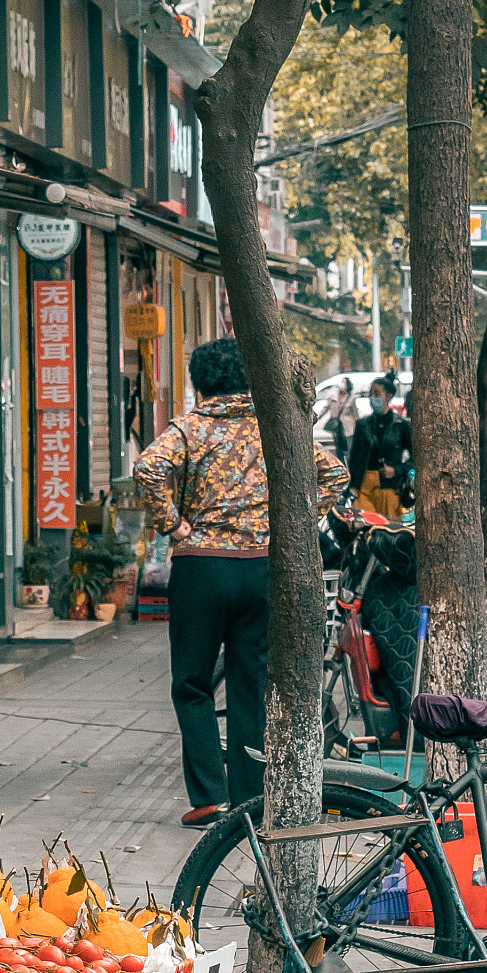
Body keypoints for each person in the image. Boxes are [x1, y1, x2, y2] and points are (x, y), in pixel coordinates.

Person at [133, 338, 348, 826]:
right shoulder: (274, 428)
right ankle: (251, 798)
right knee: (252, 681)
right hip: (260, 569)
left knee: (192, 682)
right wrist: (291, 523)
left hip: (201, 568)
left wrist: (174, 524)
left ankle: (210, 797)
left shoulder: (189, 428)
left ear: (199, 382)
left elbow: (147, 468)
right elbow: (334, 475)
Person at [346, 372, 414, 520]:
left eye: (377, 393)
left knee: (387, 532)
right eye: (371, 394)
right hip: (364, 486)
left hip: (390, 488)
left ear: (388, 396)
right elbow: (354, 458)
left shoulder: (401, 426)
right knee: (364, 528)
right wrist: (353, 486)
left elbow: (415, 458)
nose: (373, 398)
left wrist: (396, 470)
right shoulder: (363, 424)